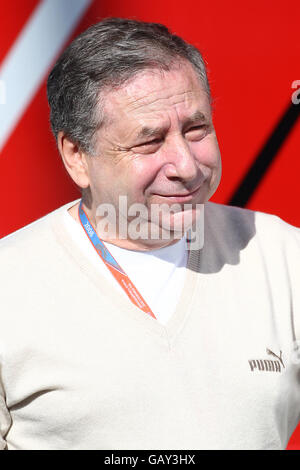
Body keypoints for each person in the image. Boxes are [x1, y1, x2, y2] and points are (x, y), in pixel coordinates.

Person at [0, 17, 299, 451]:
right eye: (149, 142)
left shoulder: (282, 257)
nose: (187, 165)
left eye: (197, 130)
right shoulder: (10, 285)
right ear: (76, 156)